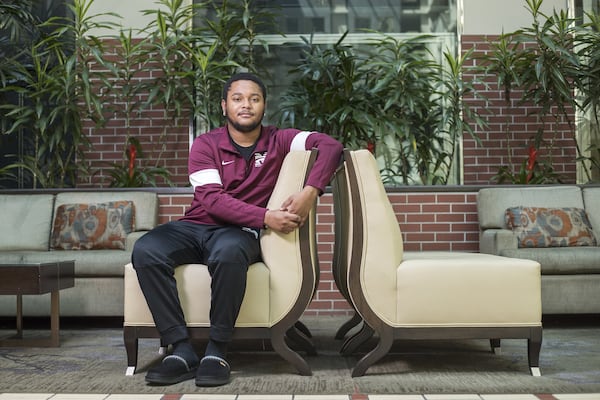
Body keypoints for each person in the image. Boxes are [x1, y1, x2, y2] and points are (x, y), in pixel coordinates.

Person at [131, 72, 343, 387]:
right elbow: (213, 201)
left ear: (264, 106)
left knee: (229, 251)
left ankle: (217, 350)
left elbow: (330, 145)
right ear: (224, 106)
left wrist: (311, 191)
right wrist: (267, 217)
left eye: (254, 99)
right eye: (238, 98)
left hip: (239, 231)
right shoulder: (205, 144)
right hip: (197, 224)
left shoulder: (279, 140)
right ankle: (181, 348)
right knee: (146, 249)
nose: (246, 105)